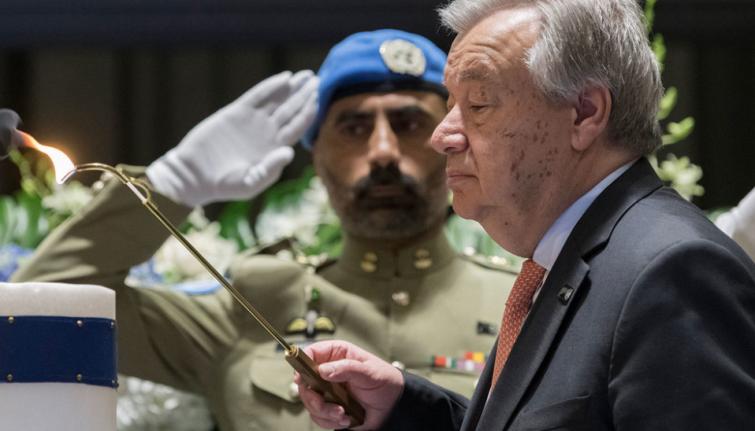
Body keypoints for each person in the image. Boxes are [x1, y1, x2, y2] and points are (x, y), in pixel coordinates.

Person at [12, 29, 517, 431]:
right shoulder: (251, 306)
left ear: (451, 141)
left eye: (408, 125)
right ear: (316, 157)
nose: (383, 151)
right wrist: (174, 183)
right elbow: (42, 309)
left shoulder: (520, 303)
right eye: (354, 128)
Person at [296, 1, 755, 430]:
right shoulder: (579, 253)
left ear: (584, 113)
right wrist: (405, 406)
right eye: (450, 105)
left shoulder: (672, 270)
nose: (442, 136)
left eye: (478, 104)